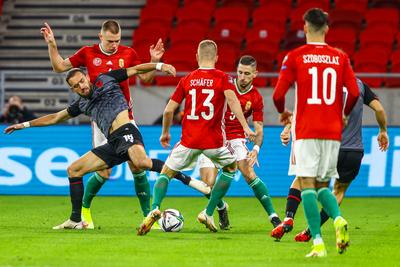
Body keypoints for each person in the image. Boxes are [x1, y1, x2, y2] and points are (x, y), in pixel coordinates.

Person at [40, 20, 208, 228]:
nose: (114, 45)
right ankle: (83, 214)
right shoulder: (87, 53)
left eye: (117, 41)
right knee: (103, 172)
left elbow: (145, 78)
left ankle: (149, 217)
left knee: (138, 167)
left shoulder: (128, 53)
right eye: (110, 41)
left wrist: (154, 60)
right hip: (101, 120)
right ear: (101, 37)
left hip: (125, 117)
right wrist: (52, 44)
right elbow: (59, 67)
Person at [4, 63, 176, 229]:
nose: (81, 86)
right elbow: (55, 117)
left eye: (82, 81)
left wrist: (160, 66)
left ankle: (182, 183)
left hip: (127, 129)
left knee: (140, 166)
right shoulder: (81, 104)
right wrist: (24, 125)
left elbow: (136, 69)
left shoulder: (106, 79)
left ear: (87, 77)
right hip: (113, 141)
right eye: (76, 86)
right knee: (74, 169)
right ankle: (76, 219)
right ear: (73, 90)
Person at [136, 40, 256, 236]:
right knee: (231, 168)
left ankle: (155, 208)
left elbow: (168, 111)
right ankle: (209, 213)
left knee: (165, 173)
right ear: (217, 58)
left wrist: (165, 132)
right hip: (213, 142)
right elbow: (233, 101)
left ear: (196, 57)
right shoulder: (222, 78)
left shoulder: (188, 79)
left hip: (188, 141)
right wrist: (245, 126)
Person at [272, 8, 360, 257]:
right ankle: (338, 219)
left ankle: (318, 243)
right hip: (333, 131)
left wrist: (283, 112)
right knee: (323, 185)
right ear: (328, 29)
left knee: (307, 185)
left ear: (306, 28)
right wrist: (343, 114)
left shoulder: (296, 56)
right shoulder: (340, 57)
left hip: (308, 129)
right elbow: (353, 93)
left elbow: (278, 94)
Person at [272, 79, 389, 242]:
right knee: (338, 191)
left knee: (302, 179)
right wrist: (382, 130)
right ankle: (311, 231)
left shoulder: (325, 84)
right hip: (354, 151)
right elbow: (380, 109)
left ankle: (288, 217)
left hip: (329, 146)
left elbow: (305, 112)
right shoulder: (360, 85)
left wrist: (288, 128)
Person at [197, 55, 281, 231]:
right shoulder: (224, 85)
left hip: (236, 138)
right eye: (240, 72)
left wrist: (256, 149)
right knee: (207, 185)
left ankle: (273, 216)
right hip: (214, 136)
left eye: (247, 74)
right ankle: (221, 207)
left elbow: (258, 129)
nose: (242, 77)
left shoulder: (256, 98)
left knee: (249, 172)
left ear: (255, 74)